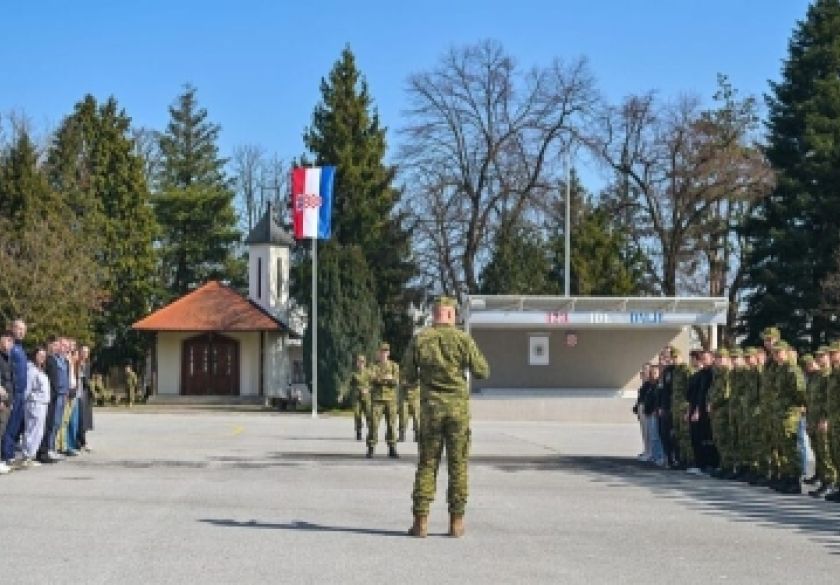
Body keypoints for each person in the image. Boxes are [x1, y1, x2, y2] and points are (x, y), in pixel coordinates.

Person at [401, 296, 489, 538]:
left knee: (427, 464)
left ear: (434, 313)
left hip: (431, 410)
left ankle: (421, 523)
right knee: (458, 465)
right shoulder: (463, 339)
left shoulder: (420, 339)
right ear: (451, 314)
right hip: (458, 412)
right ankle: (456, 523)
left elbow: (407, 376)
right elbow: (483, 370)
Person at [366, 342, 401, 458]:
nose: (383, 354)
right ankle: (371, 447)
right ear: (378, 353)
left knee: (391, 424)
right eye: (381, 351)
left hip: (390, 399)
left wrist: (385, 379)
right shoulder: (373, 367)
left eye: (385, 351)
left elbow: (396, 381)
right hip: (377, 399)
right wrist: (385, 378)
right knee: (374, 424)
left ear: (388, 353)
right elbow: (372, 379)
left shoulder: (394, 366)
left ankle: (392, 447)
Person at [2, 320, 28, 469]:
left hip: (21, 392)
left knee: (15, 426)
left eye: (23, 329)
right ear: (12, 329)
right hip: (12, 392)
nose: (21, 332)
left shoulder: (20, 348)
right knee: (8, 426)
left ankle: (10, 454)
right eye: (18, 328)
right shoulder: (9, 347)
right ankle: (5, 456)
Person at [22, 347, 50, 467]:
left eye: (44, 356)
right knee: (31, 430)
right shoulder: (31, 370)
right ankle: (26, 455)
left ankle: (31, 455)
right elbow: (27, 389)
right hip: (34, 404)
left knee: (38, 432)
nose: (42, 358)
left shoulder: (40, 370)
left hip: (42, 403)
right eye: (40, 355)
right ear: (34, 356)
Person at [348, 354, 371, 441]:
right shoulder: (354, 374)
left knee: (368, 415)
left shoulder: (369, 373)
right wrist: (342, 395)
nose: (361, 363)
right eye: (359, 362)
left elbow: (373, 384)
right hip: (357, 398)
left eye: (362, 362)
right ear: (357, 363)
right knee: (357, 414)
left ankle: (371, 432)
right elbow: (348, 385)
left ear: (365, 363)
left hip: (367, 397)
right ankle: (358, 432)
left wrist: (368, 389)